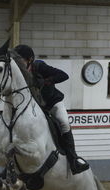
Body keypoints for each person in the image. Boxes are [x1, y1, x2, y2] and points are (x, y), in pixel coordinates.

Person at [14, 44, 89, 175]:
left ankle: (74, 161)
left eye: (20, 61)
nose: (18, 64)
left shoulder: (39, 66)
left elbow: (63, 75)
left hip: (53, 103)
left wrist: (46, 81)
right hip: (37, 107)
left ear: (29, 60)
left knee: (64, 123)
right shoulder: (19, 74)